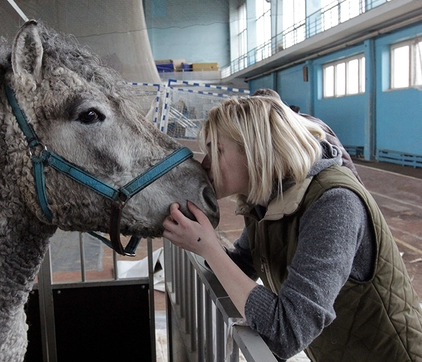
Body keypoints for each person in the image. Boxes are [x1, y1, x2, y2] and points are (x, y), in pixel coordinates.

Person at [162, 95, 422, 361]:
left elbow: (286, 333)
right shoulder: (265, 200)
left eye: (217, 150)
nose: (206, 163)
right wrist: (197, 238)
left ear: (257, 150)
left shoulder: (334, 203)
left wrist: (208, 248)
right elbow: (240, 266)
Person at [251, 88, 362, 184]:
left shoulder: (308, 126)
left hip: (334, 185)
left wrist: (357, 188)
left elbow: (342, 157)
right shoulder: (271, 131)